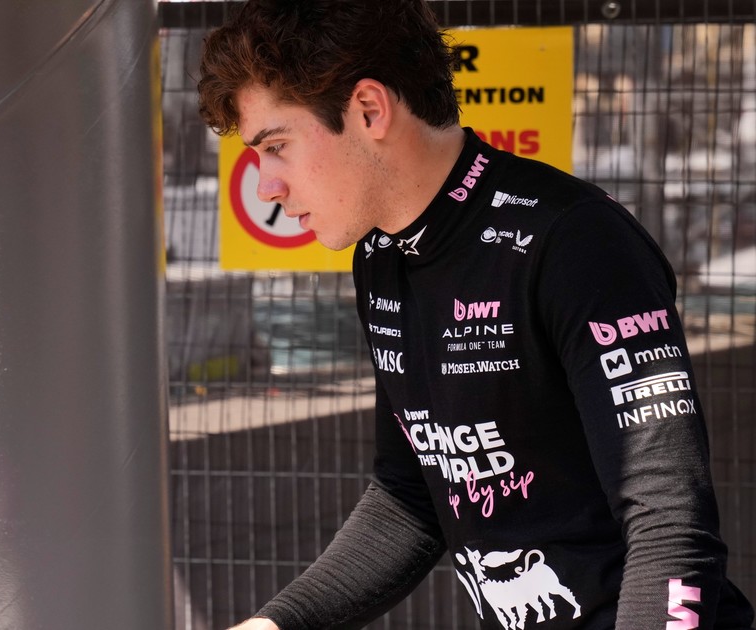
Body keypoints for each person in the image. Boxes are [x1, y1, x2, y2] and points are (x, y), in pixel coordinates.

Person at [197, 1, 755, 628]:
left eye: (276, 146)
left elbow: (670, 523)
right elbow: (410, 496)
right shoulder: (380, 256)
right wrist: (277, 623)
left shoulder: (575, 242)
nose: (266, 185)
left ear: (370, 109)